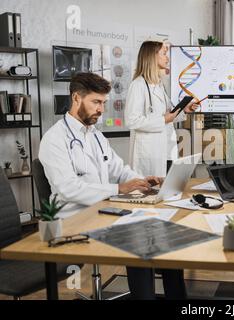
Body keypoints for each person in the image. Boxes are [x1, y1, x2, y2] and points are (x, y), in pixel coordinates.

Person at [39, 72, 186, 300]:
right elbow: (68, 188)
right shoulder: (54, 139)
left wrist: (142, 180)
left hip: (102, 211)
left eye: (104, 103)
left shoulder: (95, 135)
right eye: (96, 102)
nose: (101, 109)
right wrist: (119, 189)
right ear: (76, 98)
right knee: (139, 237)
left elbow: (118, 169)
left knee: (161, 229)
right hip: (73, 220)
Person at [125, 41, 198, 177]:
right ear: (152, 56)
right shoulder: (138, 85)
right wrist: (163, 119)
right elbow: (132, 121)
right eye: (164, 54)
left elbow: (168, 114)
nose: (167, 58)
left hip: (167, 148)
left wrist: (184, 110)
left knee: (167, 190)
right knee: (151, 192)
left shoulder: (159, 85)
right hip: (149, 152)